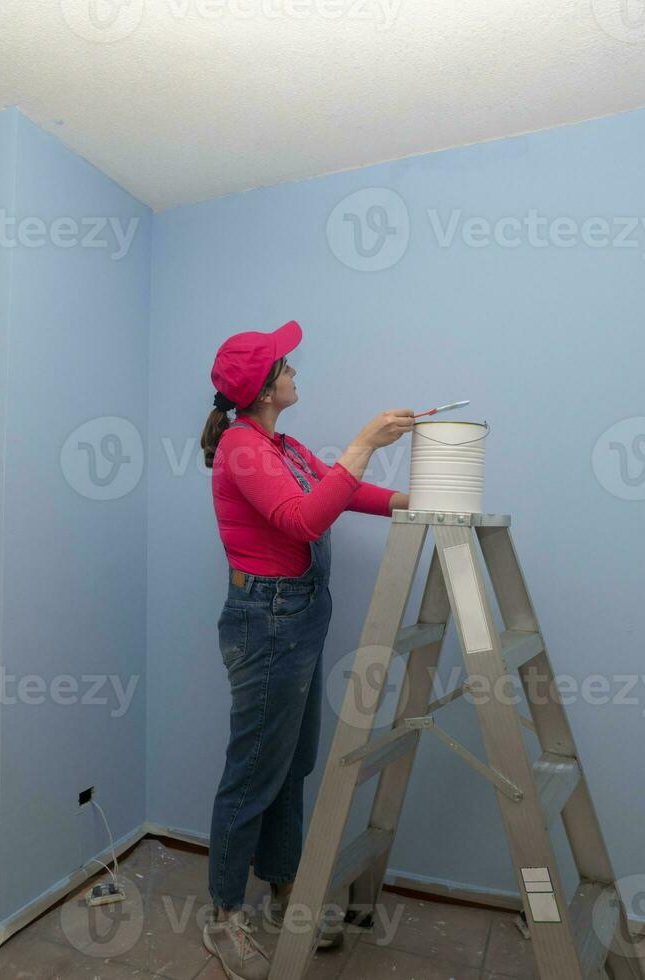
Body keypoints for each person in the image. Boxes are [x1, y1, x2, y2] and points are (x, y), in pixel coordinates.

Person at [197, 320, 411, 979]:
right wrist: (364, 444)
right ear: (264, 388)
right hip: (266, 622)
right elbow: (302, 519)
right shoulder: (241, 447)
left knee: (293, 762)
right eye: (285, 367)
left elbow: (336, 494)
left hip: (300, 614)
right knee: (254, 771)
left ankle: (283, 883)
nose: (294, 373)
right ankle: (224, 916)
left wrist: (414, 499)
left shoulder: (281, 444)